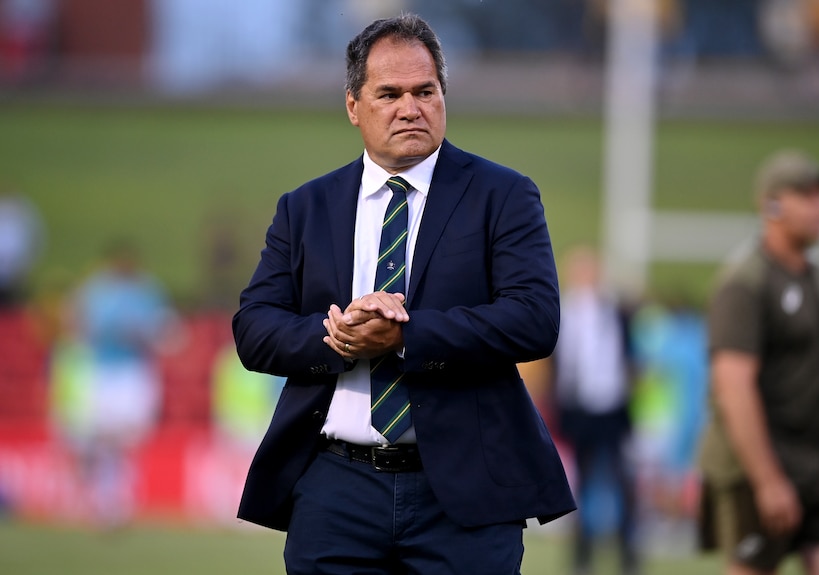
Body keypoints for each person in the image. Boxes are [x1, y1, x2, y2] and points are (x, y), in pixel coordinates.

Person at [232, 13, 575, 575]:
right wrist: (341, 337)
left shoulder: (503, 195)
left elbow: (534, 319)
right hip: (334, 487)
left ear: (444, 95)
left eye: (425, 91)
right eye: (388, 93)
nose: (409, 108)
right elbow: (254, 329)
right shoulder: (306, 207)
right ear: (353, 106)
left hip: (465, 493)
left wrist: (405, 337)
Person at [697, 149, 819, 575]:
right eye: (807, 196)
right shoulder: (745, 282)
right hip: (758, 462)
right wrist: (768, 480)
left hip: (817, 463)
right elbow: (733, 387)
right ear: (772, 204)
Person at [55, 238, 178, 527]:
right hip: (103, 370)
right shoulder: (95, 290)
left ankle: (113, 499)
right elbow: (76, 324)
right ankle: (107, 501)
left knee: (126, 438)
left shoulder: (146, 290)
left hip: (133, 370)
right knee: (103, 438)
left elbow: (164, 331)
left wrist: (145, 333)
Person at [551, 246, 640, 575]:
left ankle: (628, 554)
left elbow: (629, 357)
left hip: (613, 408)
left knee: (623, 482)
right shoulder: (564, 310)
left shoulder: (615, 309)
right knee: (581, 485)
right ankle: (582, 555)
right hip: (579, 409)